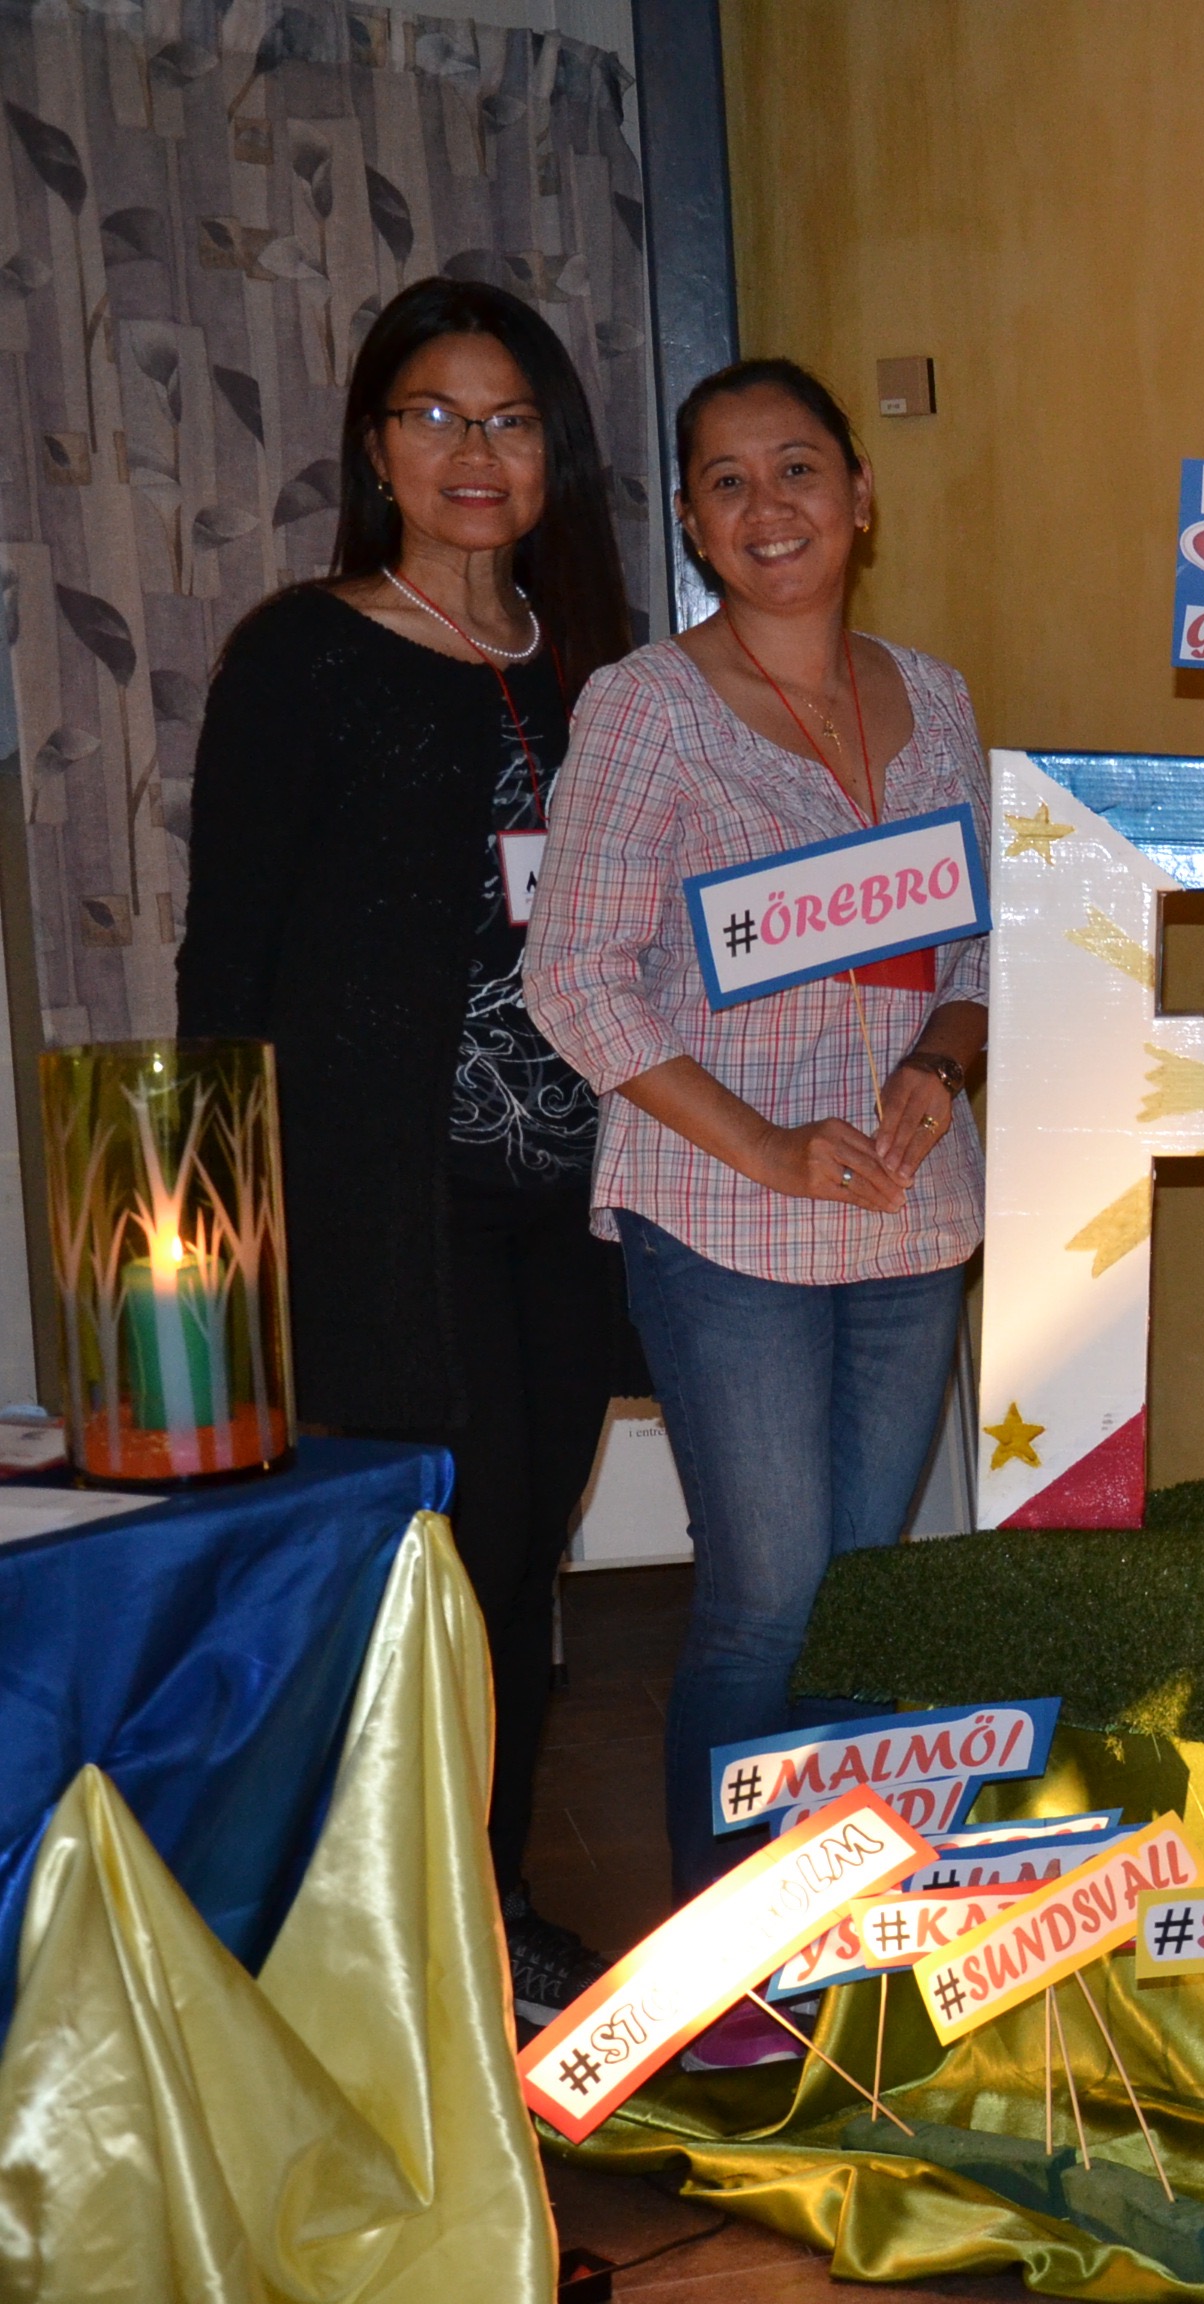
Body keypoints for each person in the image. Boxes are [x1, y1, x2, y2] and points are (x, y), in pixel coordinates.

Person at [179, 278, 638, 2028]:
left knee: (524, 1563)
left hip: (578, 1194)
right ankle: (397, 1937)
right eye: (435, 415)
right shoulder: (302, 653)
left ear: (552, 454)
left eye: (509, 419)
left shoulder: (601, 674)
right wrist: (217, 1216)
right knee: (440, 1553)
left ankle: (485, 1913)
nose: (474, 450)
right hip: (385, 1197)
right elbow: (227, 953)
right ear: (376, 445)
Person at [524, 357, 986, 1967]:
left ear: (863, 496)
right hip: (724, 1211)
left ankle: (837, 1940)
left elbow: (977, 947)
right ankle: (721, 1970)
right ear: (693, 526)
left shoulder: (938, 698)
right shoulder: (642, 708)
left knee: (864, 1596)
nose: (768, 504)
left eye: (798, 467)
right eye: (726, 482)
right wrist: (769, 1147)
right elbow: (576, 979)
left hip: (909, 1208)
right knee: (768, 1596)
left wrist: (940, 1061)